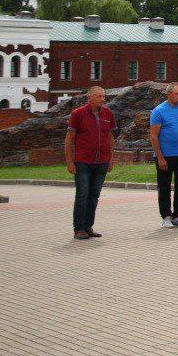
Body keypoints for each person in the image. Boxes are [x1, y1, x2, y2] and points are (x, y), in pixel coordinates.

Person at [65, 85, 116, 240]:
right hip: (83, 161)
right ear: (90, 98)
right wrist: (69, 161)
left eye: (103, 97)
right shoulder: (78, 114)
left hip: (101, 161)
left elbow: (110, 137)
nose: (102, 99)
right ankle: (78, 228)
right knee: (82, 194)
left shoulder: (108, 114)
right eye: (99, 96)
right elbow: (69, 139)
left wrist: (111, 158)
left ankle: (88, 226)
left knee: (94, 195)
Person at [149, 82, 178, 228]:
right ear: (168, 94)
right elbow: (154, 136)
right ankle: (166, 216)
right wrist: (160, 157)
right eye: (177, 94)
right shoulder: (159, 111)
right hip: (165, 155)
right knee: (164, 186)